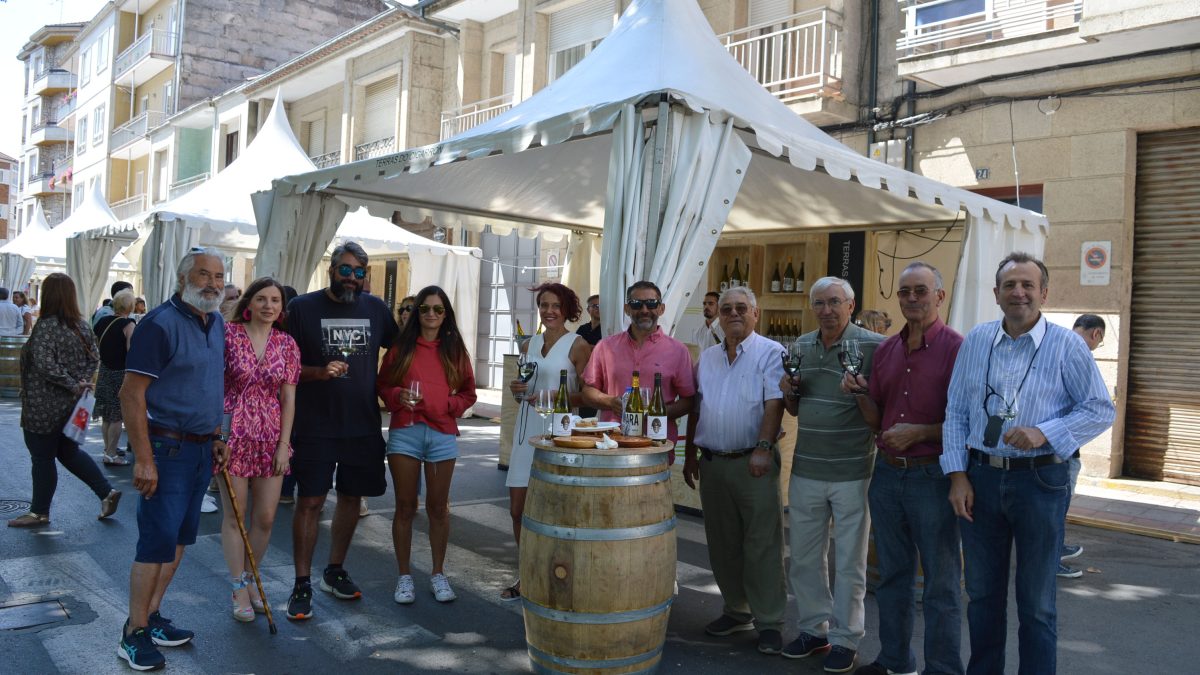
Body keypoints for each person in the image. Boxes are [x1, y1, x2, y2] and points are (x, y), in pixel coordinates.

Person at [943, 253, 1115, 675]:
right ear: (996, 293)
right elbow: (957, 412)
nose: (1018, 292)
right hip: (980, 476)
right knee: (982, 596)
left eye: (1027, 284)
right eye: (1009, 285)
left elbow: (1099, 409)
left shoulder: (1068, 344)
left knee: (1036, 603)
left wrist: (1046, 432)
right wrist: (958, 476)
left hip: (1041, 480)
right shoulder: (977, 339)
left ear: (1044, 292)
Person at [841, 263, 964, 675]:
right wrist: (860, 394)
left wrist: (920, 432)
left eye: (921, 291)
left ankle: (943, 668)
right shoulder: (888, 351)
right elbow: (877, 421)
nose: (912, 298)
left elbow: (970, 425)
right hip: (888, 475)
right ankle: (895, 660)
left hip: (934, 476)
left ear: (939, 297)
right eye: (905, 292)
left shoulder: (958, 349)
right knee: (891, 578)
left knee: (941, 586)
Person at [117, 248, 226, 671]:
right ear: (184, 278)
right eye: (204, 274)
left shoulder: (215, 321)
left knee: (180, 540)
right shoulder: (158, 324)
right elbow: (131, 393)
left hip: (200, 447)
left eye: (218, 276)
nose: (213, 283)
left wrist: (219, 434)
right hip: (166, 449)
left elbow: (213, 385)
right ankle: (134, 632)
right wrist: (143, 459)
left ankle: (153, 616)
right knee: (155, 544)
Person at [285, 242, 399, 621]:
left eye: (359, 272)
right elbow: (282, 367)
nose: (352, 277)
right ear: (331, 269)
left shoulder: (376, 309)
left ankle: (334, 570)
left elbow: (403, 355)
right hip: (314, 425)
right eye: (345, 270)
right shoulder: (302, 308)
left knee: (352, 499)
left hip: (362, 425)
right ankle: (302, 582)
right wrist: (318, 372)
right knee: (311, 503)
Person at [778, 276, 884, 673]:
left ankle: (845, 638)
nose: (827, 310)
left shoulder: (873, 347)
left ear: (851, 305)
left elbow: (883, 411)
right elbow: (793, 407)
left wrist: (860, 392)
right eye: (819, 303)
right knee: (804, 558)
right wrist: (788, 389)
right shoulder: (800, 346)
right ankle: (813, 630)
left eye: (834, 302)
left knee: (850, 562)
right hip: (806, 468)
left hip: (854, 470)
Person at [682, 286, 786, 655]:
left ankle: (770, 621)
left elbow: (775, 404)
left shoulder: (772, 353)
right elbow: (697, 408)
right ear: (718, 316)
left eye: (742, 308)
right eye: (727, 309)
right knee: (723, 544)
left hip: (752, 462)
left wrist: (762, 448)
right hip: (713, 462)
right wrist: (690, 454)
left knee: (762, 544)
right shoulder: (707, 358)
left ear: (756, 313)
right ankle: (736, 610)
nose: (734, 314)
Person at [378, 285, 477, 604]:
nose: (431, 314)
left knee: (438, 508)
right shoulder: (401, 349)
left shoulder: (455, 351)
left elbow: (468, 393)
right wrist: (396, 396)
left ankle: (438, 573)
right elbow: (383, 384)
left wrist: (449, 405)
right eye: (424, 309)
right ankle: (404, 576)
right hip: (405, 432)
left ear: (445, 314)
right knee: (405, 507)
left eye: (437, 309)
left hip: (442, 434)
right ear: (416, 312)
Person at [215, 277, 300, 622]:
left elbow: (289, 398)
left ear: (282, 307)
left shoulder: (287, 344)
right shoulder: (228, 335)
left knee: (265, 518)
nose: (268, 305)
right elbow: (213, 383)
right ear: (249, 302)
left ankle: (251, 578)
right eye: (262, 299)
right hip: (232, 432)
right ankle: (238, 587)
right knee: (236, 515)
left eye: (275, 300)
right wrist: (214, 435)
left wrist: (284, 446)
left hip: (270, 436)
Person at [8, 273, 121, 529]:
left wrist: (72, 383)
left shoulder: (46, 326)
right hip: (73, 406)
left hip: (43, 405)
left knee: (42, 457)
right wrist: (80, 381)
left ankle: (39, 513)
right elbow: (95, 358)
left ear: (48, 295)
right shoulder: (81, 326)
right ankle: (106, 492)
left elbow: (45, 364)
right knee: (68, 452)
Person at [503, 282, 592, 600]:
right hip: (527, 431)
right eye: (544, 305)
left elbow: (589, 396)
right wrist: (518, 392)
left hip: (560, 433)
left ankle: (560, 575)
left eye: (556, 305)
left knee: (556, 513)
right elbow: (522, 392)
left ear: (567, 309)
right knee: (517, 510)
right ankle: (527, 573)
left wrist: (560, 396)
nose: (549, 311)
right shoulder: (528, 344)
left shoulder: (578, 344)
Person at [581, 281, 695, 451]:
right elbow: (587, 391)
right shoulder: (605, 347)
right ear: (627, 309)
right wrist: (611, 402)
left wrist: (658, 412)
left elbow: (689, 400)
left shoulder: (678, 351)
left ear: (661, 308)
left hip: (656, 444)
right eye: (636, 304)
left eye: (651, 303)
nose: (644, 310)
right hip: (612, 443)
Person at [1057, 313, 1107, 579]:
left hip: (1056, 444)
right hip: (1062, 448)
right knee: (1057, 504)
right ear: (1096, 334)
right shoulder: (1079, 352)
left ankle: (1055, 549)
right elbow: (1095, 409)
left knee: (1056, 505)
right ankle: (1052, 558)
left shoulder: (1057, 345)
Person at [94, 289, 138, 466]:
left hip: (104, 371)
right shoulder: (129, 324)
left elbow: (97, 344)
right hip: (120, 373)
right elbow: (131, 351)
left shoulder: (102, 321)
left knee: (106, 415)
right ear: (130, 306)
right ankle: (112, 453)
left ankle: (107, 450)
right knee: (117, 416)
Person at [574, 294, 602, 418]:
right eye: (595, 306)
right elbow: (574, 348)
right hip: (579, 375)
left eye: (601, 306)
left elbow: (602, 351)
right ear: (588, 310)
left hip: (596, 377)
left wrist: (587, 348)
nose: (598, 308)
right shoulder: (582, 329)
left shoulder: (607, 329)